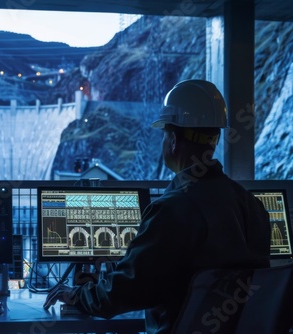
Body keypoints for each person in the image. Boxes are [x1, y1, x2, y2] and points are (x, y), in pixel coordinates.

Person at [43, 79, 271, 334]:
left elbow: (121, 294)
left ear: (173, 140)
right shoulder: (254, 208)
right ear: (214, 138)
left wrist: (76, 295)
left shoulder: (171, 210)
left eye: (164, 135)